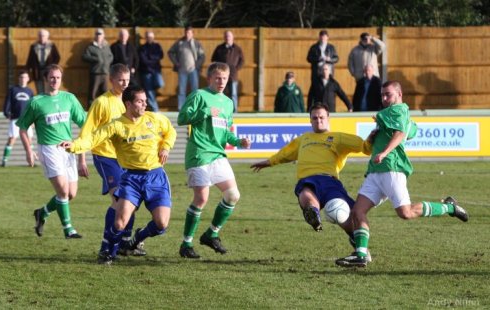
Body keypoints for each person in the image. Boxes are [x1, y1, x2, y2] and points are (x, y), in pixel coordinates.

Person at [335, 81, 469, 268]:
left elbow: (400, 134)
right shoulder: (397, 113)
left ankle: (450, 207)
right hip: (375, 172)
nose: (384, 98)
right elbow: (410, 130)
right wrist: (376, 138)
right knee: (357, 211)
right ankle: (361, 255)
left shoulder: (398, 110)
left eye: (388, 94)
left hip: (391, 169)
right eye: (382, 95)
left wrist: (384, 152)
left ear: (399, 94)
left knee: (406, 213)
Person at [59, 85, 177, 265]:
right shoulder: (116, 125)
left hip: (156, 177)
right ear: (128, 104)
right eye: (140, 101)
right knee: (120, 223)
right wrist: (74, 146)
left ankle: (137, 238)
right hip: (131, 179)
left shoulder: (154, 118)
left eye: (145, 101)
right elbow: (93, 138)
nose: (145, 105)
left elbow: (171, 131)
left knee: (161, 224)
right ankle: (109, 251)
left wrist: (166, 147)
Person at [251, 104, 374, 260]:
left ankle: (358, 244)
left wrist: (371, 139)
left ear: (328, 118)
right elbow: (285, 154)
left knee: (341, 216)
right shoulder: (304, 139)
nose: (318, 120)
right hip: (307, 179)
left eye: (322, 117)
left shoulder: (339, 137)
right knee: (305, 192)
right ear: (310, 120)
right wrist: (269, 162)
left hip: (329, 181)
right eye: (315, 118)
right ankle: (313, 214)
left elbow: (365, 147)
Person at [177, 62, 251, 259]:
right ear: (209, 78)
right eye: (217, 78)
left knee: (233, 195)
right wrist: (206, 111)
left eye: (225, 78)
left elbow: (226, 132)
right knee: (201, 198)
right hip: (199, 154)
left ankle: (211, 233)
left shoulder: (228, 103)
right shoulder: (199, 95)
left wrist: (238, 141)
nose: (221, 82)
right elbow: (182, 118)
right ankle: (186, 244)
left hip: (218, 155)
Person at [77, 63, 144, 257]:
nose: (125, 84)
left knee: (130, 200)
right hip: (104, 156)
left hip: (125, 158)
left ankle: (124, 243)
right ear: (111, 80)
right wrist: (81, 159)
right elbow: (86, 131)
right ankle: (106, 245)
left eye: (127, 81)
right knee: (119, 199)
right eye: (121, 81)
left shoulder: (129, 101)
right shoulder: (101, 103)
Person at [16, 64, 86, 239]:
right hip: (49, 150)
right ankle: (68, 230)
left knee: (71, 194)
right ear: (45, 79)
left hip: (69, 150)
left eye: (58, 77)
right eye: (52, 77)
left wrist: (81, 158)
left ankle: (42, 213)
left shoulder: (69, 98)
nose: (55, 81)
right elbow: (23, 127)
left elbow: (85, 125)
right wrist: (28, 151)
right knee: (62, 191)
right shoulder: (36, 102)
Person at [2, 70, 35, 167]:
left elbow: (33, 106)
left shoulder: (30, 91)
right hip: (15, 119)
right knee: (12, 139)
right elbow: (7, 102)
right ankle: (4, 160)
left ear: (28, 79)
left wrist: (33, 119)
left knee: (29, 140)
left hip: (27, 120)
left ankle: (31, 161)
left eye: (25, 77)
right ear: (18, 78)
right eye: (21, 77)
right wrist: (6, 113)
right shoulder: (13, 90)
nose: (23, 79)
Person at [168, 26, 206, 110]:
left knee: (195, 90)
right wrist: (176, 63)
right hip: (182, 70)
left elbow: (202, 56)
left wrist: (196, 65)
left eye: (189, 33)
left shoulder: (196, 43)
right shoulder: (179, 43)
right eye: (186, 32)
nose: (187, 34)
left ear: (192, 34)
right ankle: (181, 108)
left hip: (193, 70)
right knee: (181, 91)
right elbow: (170, 52)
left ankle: (195, 107)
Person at [211, 30, 245, 112]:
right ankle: (221, 111)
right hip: (221, 76)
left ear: (232, 37)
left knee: (233, 94)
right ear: (224, 38)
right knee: (220, 93)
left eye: (229, 36)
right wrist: (218, 69)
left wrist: (236, 68)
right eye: (226, 36)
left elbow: (242, 60)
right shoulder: (219, 48)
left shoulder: (237, 49)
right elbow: (213, 60)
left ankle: (234, 111)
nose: (227, 38)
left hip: (233, 75)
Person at [82, 28, 114, 109]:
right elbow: (84, 57)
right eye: (97, 34)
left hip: (105, 73)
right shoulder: (90, 46)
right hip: (95, 73)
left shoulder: (107, 46)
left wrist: (107, 62)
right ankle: (90, 111)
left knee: (105, 93)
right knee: (92, 93)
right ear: (95, 35)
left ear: (103, 35)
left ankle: (104, 110)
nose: (98, 35)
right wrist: (95, 60)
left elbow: (111, 56)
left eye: (100, 34)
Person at [25, 29, 61, 94]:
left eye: (43, 36)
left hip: (48, 71)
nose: (41, 37)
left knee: (49, 88)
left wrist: (52, 67)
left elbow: (57, 57)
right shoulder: (33, 46)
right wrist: (27, 70)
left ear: (47, 36)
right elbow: (30, 59)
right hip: (37, 72)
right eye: (40, 36)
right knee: (40, 90)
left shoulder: (52, 46)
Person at [138, 30, 165, 112]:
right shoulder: (142, 48)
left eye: (151, 37)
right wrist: (153, 60)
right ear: (145, 38)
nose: (150, 38)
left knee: (160, 83)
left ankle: (155, 92)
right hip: (146, 72)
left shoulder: (157, 46)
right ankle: (155, 109)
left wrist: (151, 59)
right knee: (149, 91)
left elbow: (160, 56)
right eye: (148, 37)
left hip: (156, 71)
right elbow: (144, 60)